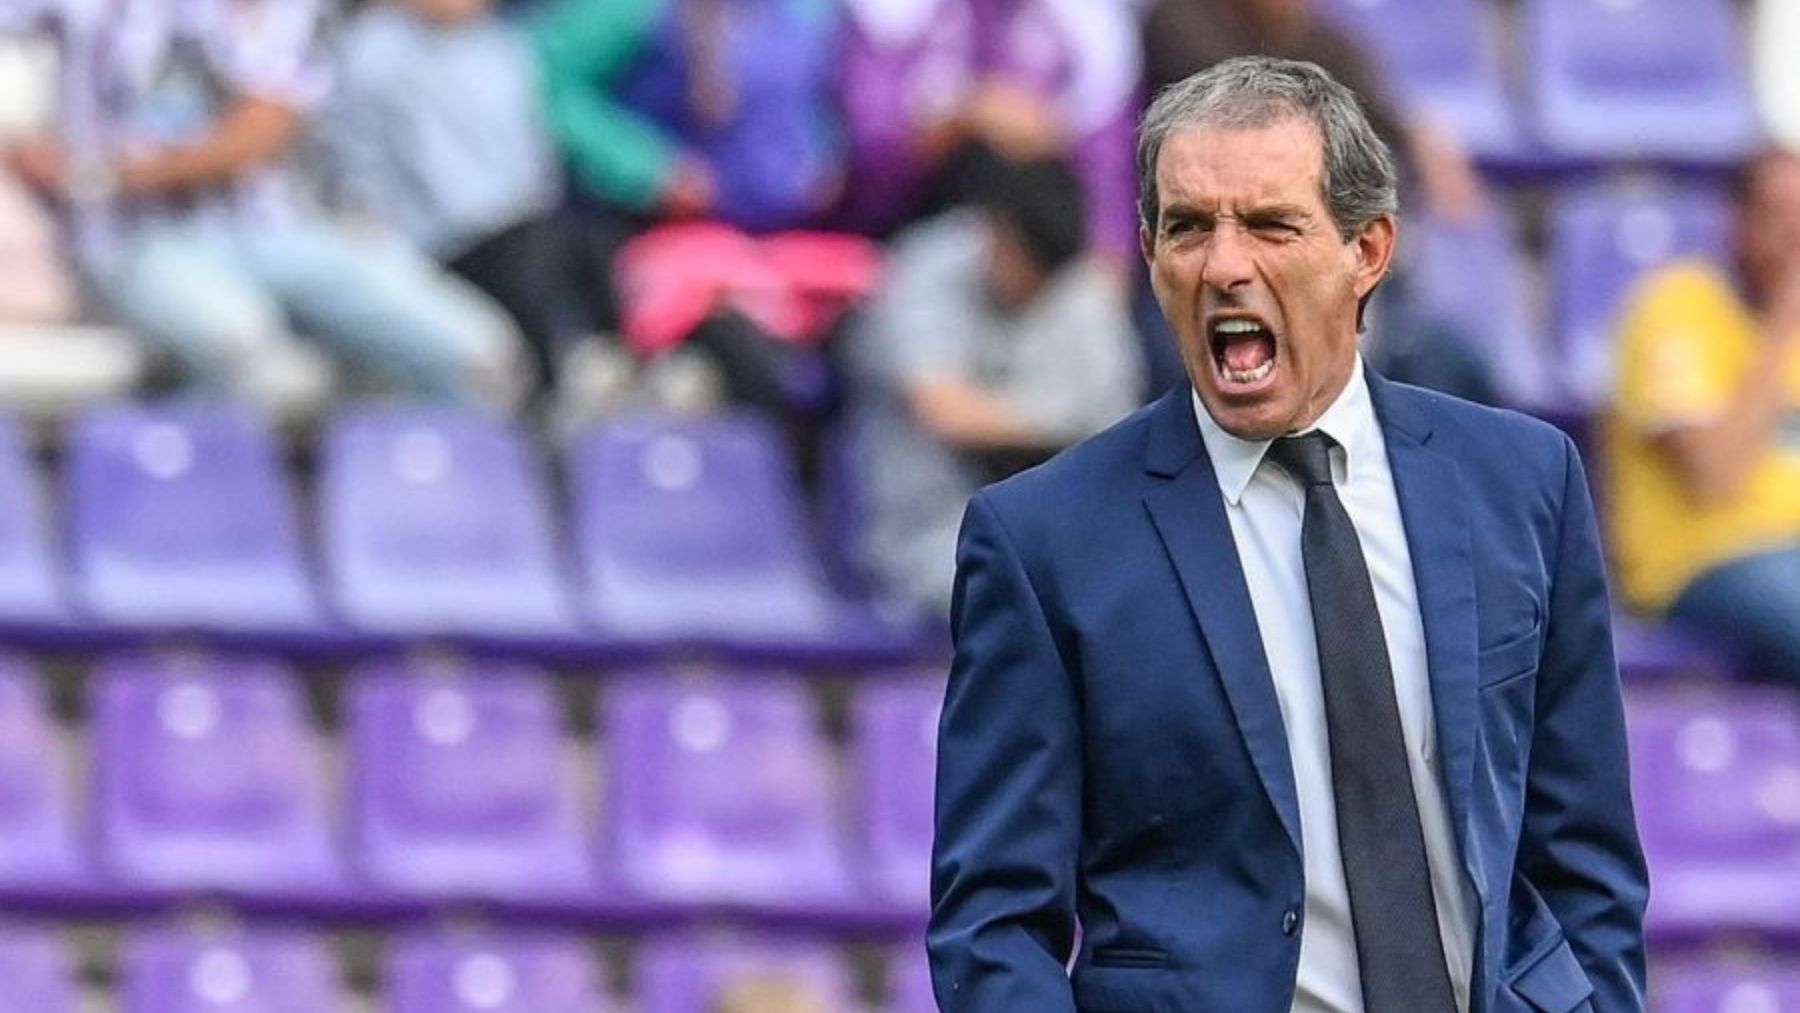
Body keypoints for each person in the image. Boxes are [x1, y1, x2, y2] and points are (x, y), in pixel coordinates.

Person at [928, 56, 1646, 1013]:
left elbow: (1584, 853)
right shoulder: (1042, 540)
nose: (1225, 264)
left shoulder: (1523, 482)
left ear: (1369, 250)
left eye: (1270, 224)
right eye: (1188, 227)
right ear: (1150, 256)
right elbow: (991, 926)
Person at [0, 0, 528, 416]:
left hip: (281, 234)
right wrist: (23, 146)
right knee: (241, 350)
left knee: (483, 359)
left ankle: (407, 524)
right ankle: (185, 529)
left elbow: (258, 130)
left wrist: (108, 172)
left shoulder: (288, 10)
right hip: (134, 241)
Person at [842, 156, 1142, 616]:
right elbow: (943, 409)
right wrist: (1067, 421)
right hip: (928, 527)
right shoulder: (926, 268)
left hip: (1043, 526)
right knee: (1040, 595)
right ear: (998, 239)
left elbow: (1121, 427)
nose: (1036, 293)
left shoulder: (1074, 278)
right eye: (1029, 274)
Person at [325, 0, 603, 395]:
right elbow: (365, 179)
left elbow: (536, 169)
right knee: (526, 260)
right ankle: (558, 397)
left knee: (582, 244)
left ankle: (588, 378)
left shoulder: (505, 50)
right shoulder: (373, 51)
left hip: (517, 236)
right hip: (427, 247)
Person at [1609, 147, 1800, 683]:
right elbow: (1715, 473)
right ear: (1738, 222)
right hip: (1703, 563)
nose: (1796, 236)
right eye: (1780, 215)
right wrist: (1787, 319)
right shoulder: (1676, 308)